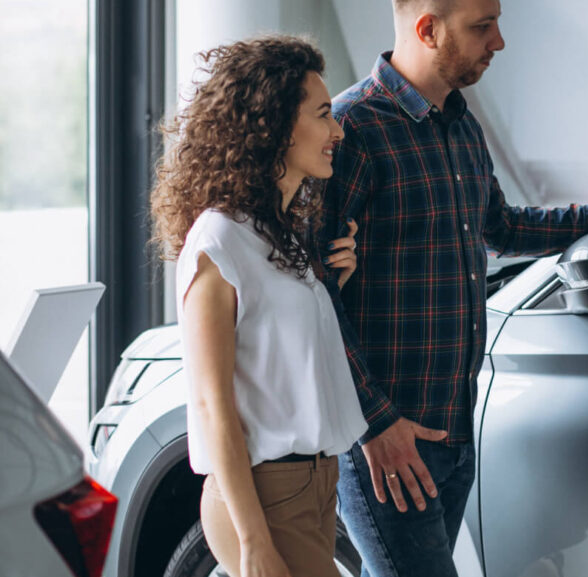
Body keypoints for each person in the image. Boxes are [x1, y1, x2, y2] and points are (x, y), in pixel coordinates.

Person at [319, 0, 588, 574]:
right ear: (428, 30)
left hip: (451, 435)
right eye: (483, 27)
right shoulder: (352, 130)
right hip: (390, 443)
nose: (498, 42)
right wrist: (376, 424)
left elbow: (499, 229)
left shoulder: (461, 123)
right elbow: (319, 298)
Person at [150, 36, 367, 577]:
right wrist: (253, 542)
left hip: (314, 485)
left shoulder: (277, 234)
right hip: (266, 495)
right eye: (323, 115)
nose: (337, 130)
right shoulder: (217, 241)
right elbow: (211, 404)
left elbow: (282, 361)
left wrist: (330, 284)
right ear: (275, 126)